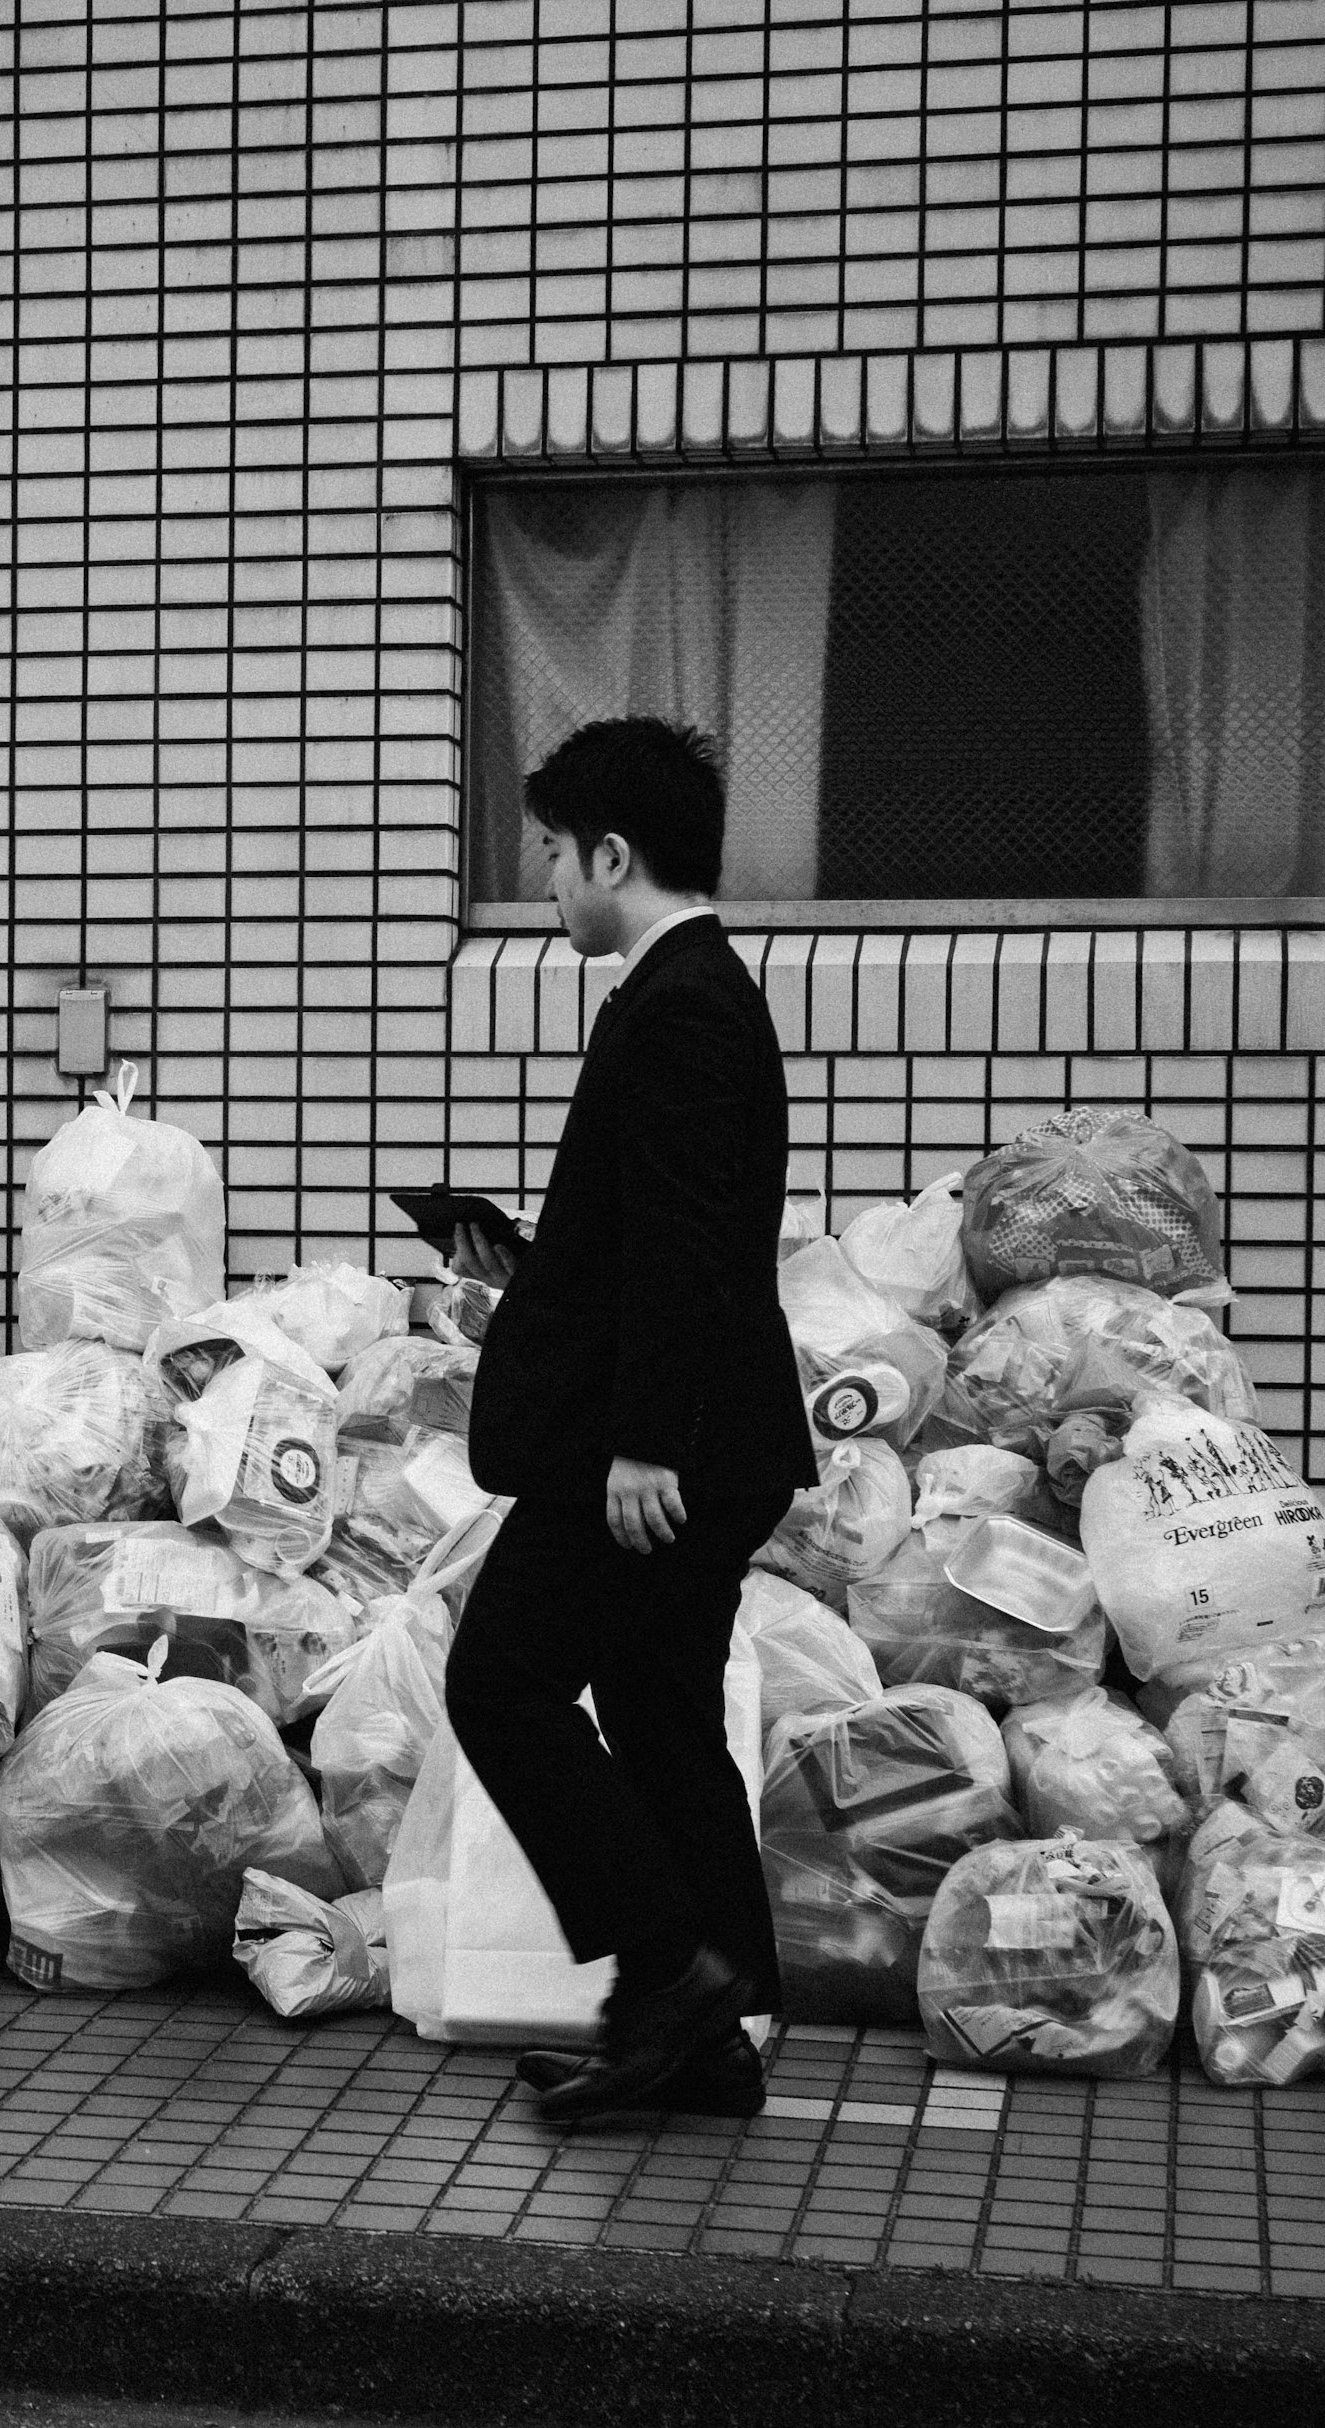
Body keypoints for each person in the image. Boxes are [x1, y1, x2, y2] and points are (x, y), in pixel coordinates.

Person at [440, 717, 812, 2121]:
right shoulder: (693, 995)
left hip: (666, 1452)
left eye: (549, 852)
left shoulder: (682, 1005)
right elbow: (656, 1240)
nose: (542, 881)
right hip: (700, 1437)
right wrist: (529, 1276)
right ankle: (712, 2037)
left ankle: (668, 1976)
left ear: (613, 853)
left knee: (502, 1683)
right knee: (657, 1718)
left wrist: (643, 1438)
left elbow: (688, 1245)